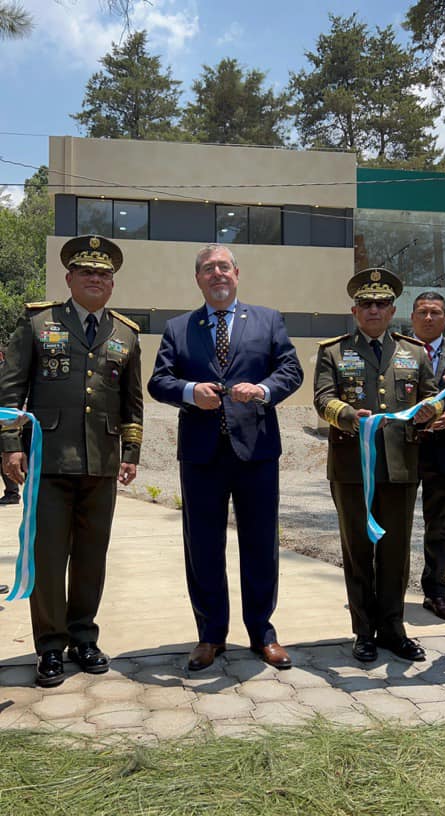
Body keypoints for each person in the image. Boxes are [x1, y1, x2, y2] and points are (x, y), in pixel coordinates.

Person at [148, 244, 303, 671]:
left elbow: (290, 371)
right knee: (203, 547)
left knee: (260, 544)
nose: (217, 274)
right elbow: (159, 381)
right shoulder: (179, 328)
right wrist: (189, 391)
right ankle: (211, 634)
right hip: (201, 455)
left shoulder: (268, 320)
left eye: (223, 267)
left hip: (256, 451)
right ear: (198, 278)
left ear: (237, 273)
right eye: (207, 268)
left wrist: (264, 390)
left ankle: (262, 633)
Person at [0, 235, 143, 687]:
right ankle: (49, 646)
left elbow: (132, 402)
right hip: (48, 461)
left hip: (101, 462)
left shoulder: (126, 334)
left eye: (103, 274)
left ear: (112, 283)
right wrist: (10, 445)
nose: (95, 279)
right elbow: (10, 391)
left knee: (90, 557)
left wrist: (131, 453)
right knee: (47, 557)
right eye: (86, 272)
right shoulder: (38, 323)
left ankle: (83, 637)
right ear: (69, 278)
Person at [314, 267, 442, 663]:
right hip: (352, 468)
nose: (374, 310)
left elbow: (432, 397)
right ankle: (363, 632)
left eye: (381, 303)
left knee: (395, 553)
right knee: (357, 552)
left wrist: (431, 412)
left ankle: (393, 630)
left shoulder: (413, 352)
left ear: (392, 311)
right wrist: (348, 415)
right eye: (366, 304)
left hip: (400, 467)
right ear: (354, 311)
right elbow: (322, 398)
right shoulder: (333, 351)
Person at [411, 292, 445, 621]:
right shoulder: (396, 351)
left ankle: (436, 592)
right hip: (402, 451)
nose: (429, 318)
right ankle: (387, 592)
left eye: (435, 312)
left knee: (438, 527)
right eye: (423, 312)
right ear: (412, 317)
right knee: (391, 525)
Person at [0, 349, 20, 505]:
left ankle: (12, 492)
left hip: (4, 419)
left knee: (6, 454)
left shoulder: (5, 371)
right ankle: (12, 492)